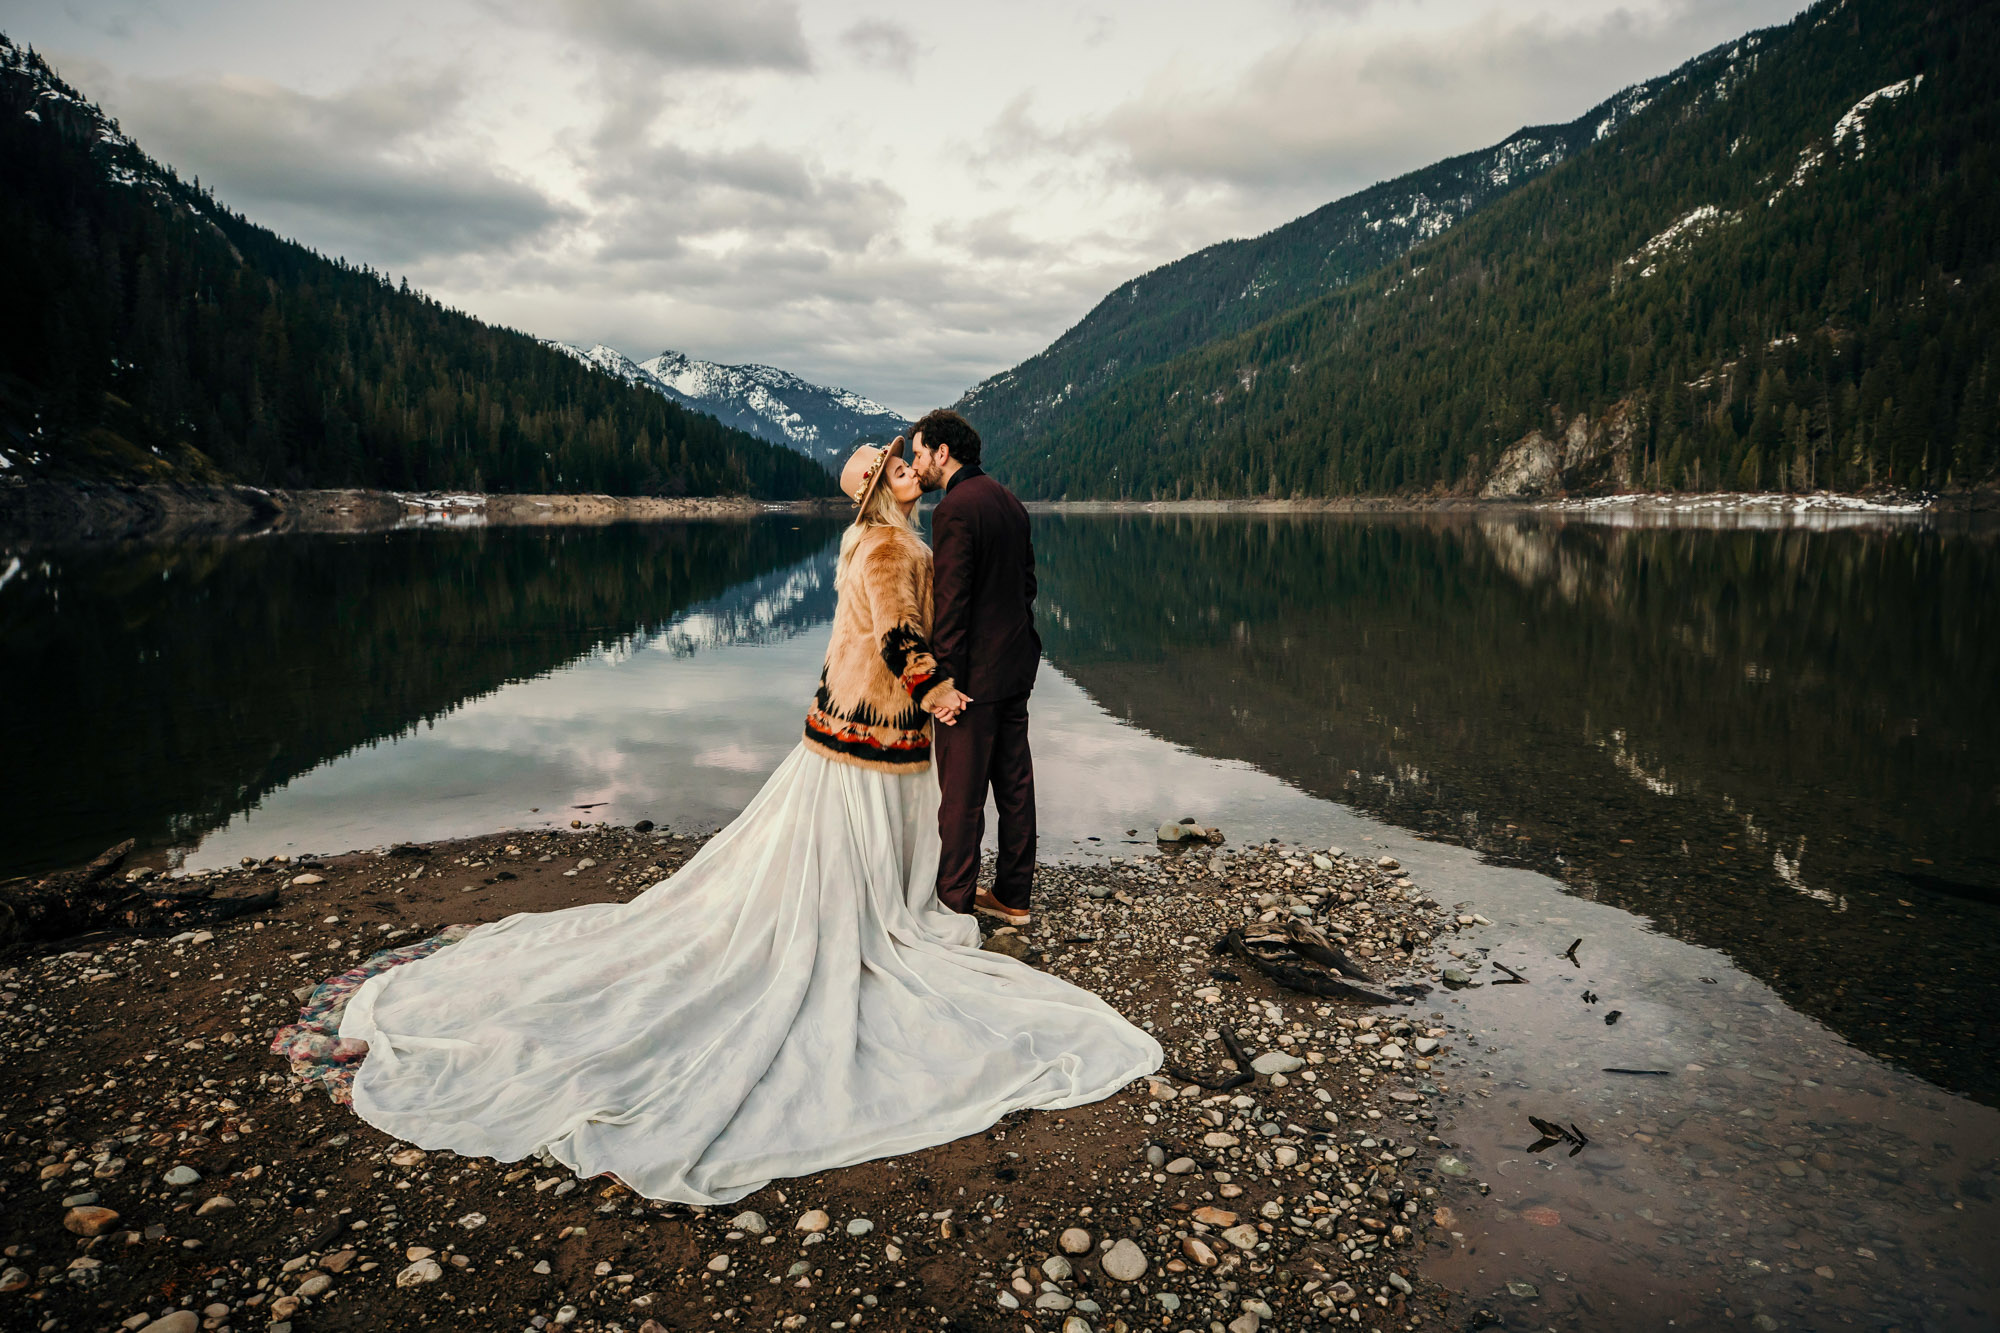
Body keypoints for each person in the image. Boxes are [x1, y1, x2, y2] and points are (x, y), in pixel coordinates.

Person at [317, 437, 1161, 1206]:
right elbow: (902, 635)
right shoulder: (885, 544)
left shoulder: (887, 539)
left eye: (906, 458)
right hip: (872, 732)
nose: (907, 464)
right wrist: (937, 688)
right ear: (874, 490)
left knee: (843, 851)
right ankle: (871, 923)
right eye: (892, 463)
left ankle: (878, 915)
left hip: (864, 728)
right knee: (851, 853)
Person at [908, 410, 1041, 928]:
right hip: (1016, 667)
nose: (917, 465)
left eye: (920, 454)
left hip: (973, 681)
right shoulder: (1009, 501)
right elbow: (1027, 587)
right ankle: (1014, 896)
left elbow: (952, 606)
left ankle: (954, 905)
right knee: (1014, 786)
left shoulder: (954, 509)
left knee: (960, 799)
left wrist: (942, 684)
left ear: (943, 452)